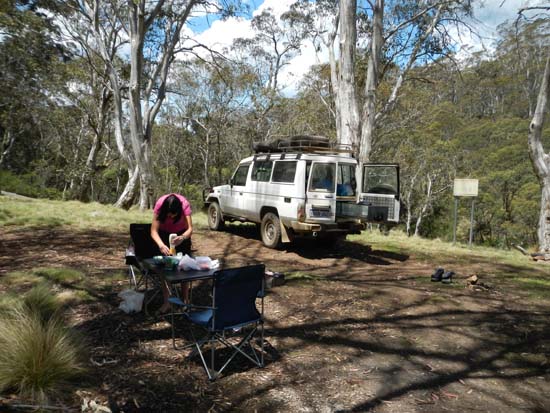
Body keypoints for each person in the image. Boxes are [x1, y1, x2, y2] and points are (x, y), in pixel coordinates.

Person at [151, 193, 193, 314]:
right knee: (166, 269)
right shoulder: (160, 205)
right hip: (164, 235)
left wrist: (183, 237)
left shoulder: (184, 204)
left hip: (181, 234)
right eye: (168, 214)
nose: (170, 216)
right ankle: (167, 302)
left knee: (184, 267)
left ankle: (185, 300)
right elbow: (153, 231)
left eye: (173, 214)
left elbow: (190, 229)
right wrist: (160, 245)